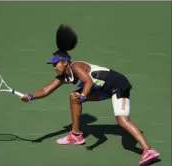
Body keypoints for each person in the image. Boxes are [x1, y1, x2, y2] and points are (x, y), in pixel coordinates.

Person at [20, 24, 160, 166]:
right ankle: (76, 136)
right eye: (52, 65)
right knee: (73, 96)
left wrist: (83, 96)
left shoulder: (76, 67)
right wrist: (31, 96)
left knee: (122, 121)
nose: (53, 67)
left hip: (119, 86)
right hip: (102, 89)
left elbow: (87, 81)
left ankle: (148, 150)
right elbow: (46, 90)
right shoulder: (63, 76)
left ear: (65, 62)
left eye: (56, 64)